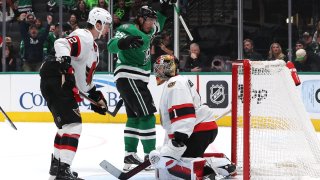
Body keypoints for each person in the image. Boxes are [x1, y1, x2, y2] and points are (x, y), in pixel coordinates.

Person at [39, 7, 112, 180]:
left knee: (66, 126)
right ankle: (63, 171)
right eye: (107, 24)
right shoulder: (84, 36)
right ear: (98, 23)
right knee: (74, 125)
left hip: (55, 79)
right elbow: (61, 43)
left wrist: (95, 97)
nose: (109, 28)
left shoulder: (93, 47)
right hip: (56, 77)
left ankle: (57, 169)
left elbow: (82, 81)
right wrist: (65, 62)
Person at [107, 1, 175, 171]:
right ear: (140, 19)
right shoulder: (128, 29)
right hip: (129, 76)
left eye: (153, 21)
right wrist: (125, 42)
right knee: (148, 117)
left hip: (135, 79)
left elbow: (159, 20)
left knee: (135, 118)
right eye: (149, 20)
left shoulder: (150, 29)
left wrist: (166, 8)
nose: (153, 23)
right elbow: (111, 46)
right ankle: (149, 157)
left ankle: (129, 155)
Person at [149, 54, 236, 180]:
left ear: (170, 68)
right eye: (157, 68)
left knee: (174, 166)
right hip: (200, 130)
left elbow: (184, 112)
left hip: (197, 131)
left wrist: (179, 138)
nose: (158, 71)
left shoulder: (175, 84)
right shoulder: (177, 81)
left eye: (161, 68)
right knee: (177, 159)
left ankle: (211, 170)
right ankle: (223, 166)